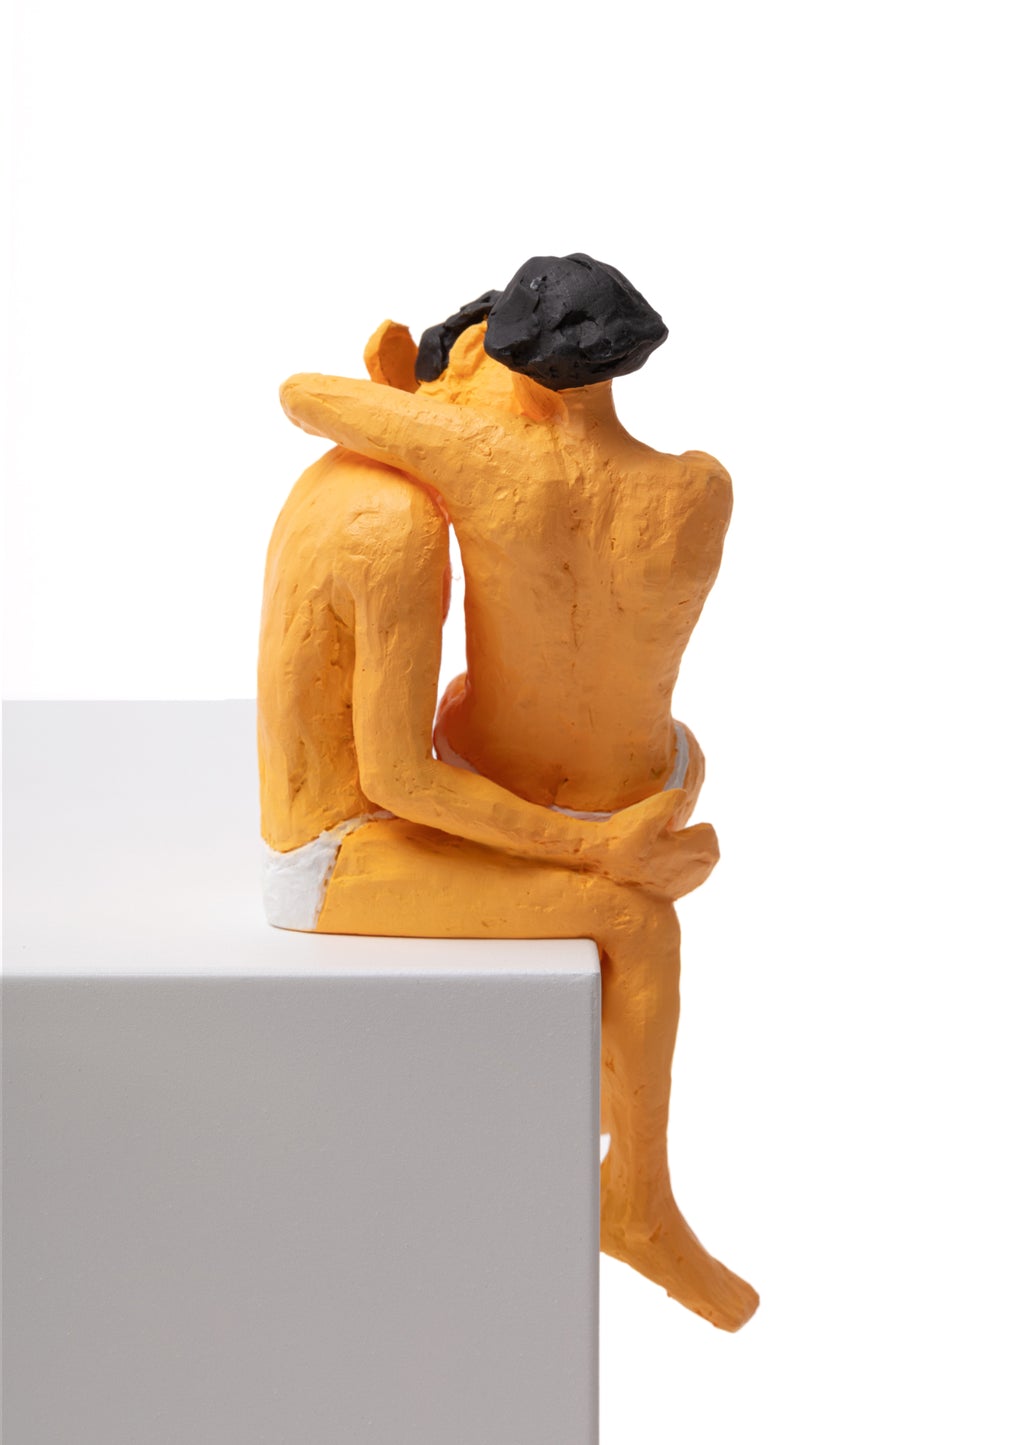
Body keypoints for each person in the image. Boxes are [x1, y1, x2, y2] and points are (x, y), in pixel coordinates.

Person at [259, 254, 756, 1330]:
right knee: (638, 919)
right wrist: (597, 846)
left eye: (500, 351)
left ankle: (605, 1161)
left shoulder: (459, 469)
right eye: (474, 357)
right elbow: (395, 778)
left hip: (439, 799)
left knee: (559, 798)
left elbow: (309, 395)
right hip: (340, 848)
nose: (495, 383)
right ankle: (633, 1200)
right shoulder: (396, 521)